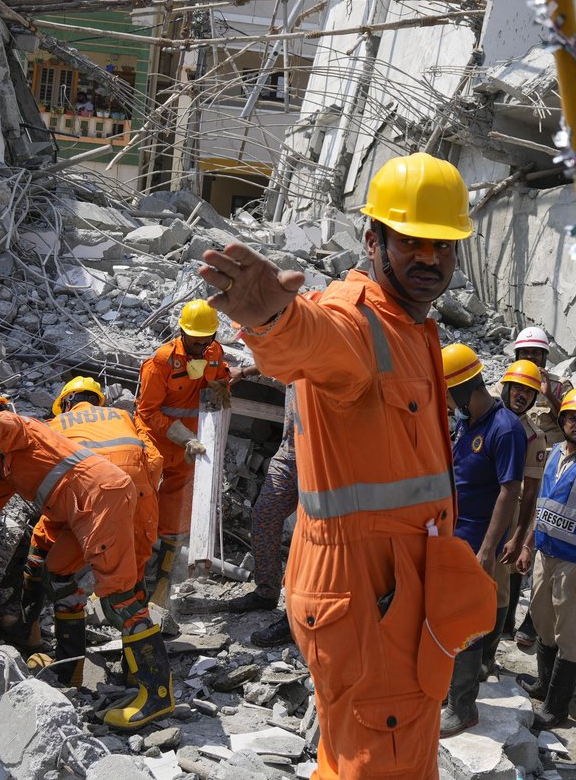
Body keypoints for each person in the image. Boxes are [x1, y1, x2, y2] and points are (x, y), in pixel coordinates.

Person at [196, 152, 497, 778]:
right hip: (370, 594)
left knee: (368, 755)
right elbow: (316, 339)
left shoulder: (412, 326)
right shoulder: (360, 319)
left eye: (443, 245)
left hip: (391, 588)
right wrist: (274, 319)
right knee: (379, 761)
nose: (430, 259)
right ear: (373, 239)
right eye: (412, 241)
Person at [0, 389, 172, 730]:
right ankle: (69, 669)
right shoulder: (5, 468)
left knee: (119, 598)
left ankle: (157, 694)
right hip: (81, 509)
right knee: (58, 571)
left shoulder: (20, 428)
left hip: (101, 496)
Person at [14, 376, 163, 687]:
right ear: (98, 400)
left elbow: (56, 491)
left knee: (61, 576)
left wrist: (45, 540)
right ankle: (137, 674)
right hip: (140, 501)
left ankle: (71, 670)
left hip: (93, 506)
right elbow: (155, 459)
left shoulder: (55, 425)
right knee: (131, 585)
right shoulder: (123, 416)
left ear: (66, 402)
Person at [439, 343, 526, 737]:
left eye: (447, 393)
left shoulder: (504, 428)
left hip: (476, 544)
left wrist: (488, 549)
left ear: (463, 389)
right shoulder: (467, 422)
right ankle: (445, 691)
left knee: (469, 626)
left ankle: (463, 707)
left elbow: (510, 491)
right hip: (451, 539)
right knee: (446, 618)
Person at [516, 387, 576, 731]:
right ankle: (544, 685)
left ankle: (557, 708)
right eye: (572, 418)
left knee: (568, 631)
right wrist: (528, 545)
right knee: (542, 620)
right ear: (563, 420)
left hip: (573, 562)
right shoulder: (555, 452)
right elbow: (542, 505)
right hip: (545, 553)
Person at [135, 298, 232, 608]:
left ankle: (161, 585)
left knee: (176, 514)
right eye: (195, 341)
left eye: (207, 340)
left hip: (192, 445)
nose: (201, 347)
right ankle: (132, 579)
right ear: (182, 333)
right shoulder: (162, 362)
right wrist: (181, 435)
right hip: (158, 441)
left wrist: (223, 385)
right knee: (143, 507)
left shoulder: (213, 353)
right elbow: (147, 411)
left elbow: (221, 378)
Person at [225, 383, 302, 647]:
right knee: (264, 516)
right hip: (290, 452)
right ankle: (267, 591)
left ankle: (298, 616)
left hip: (325, 456)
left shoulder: (326, 353)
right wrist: (241, 374)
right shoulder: (292, 355)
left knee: (309, 535)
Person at [508, 327, 568, 647]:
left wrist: (550, 395)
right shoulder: (513, 380)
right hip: (522, 475)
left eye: (536, 353)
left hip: (554, 477)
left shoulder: (560, 386)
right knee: (517, 539)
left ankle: (532, 621)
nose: (531, 358)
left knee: (541, 548)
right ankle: (506, 616)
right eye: (525, 353)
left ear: (545, 356)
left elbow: (575, 426)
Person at [494, 359, 551, 646]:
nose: (521, 395)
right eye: (517, 388)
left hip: (508, 514)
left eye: (528, 392)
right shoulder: (486, 416)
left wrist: (519, 537)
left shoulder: (533, 437)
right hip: (476, 508)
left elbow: (530, 493)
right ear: (506, 388)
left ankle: (489, 649)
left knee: (501, 581)